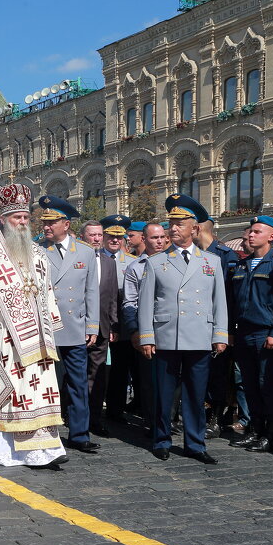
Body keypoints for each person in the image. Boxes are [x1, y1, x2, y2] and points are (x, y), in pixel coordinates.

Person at [0, 183, 68, 468]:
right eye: (17, 218)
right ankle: (3, 448)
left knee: (37, 391)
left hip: (38, 340)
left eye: (25, 218)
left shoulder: (39, 254)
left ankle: (41, 449)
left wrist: (49, 326)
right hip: (4, 338)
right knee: (8, 393)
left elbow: (47, 294)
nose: (22, 222)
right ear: (4, 220)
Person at [137, 194, 228, 464]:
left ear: (195, 228)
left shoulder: (212, 262)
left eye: (179, 223)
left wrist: (220, 334)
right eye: (171, 223)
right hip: (167, 336)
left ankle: (195, 443)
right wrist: (146, 336)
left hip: (199, 335)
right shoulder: (155, 262)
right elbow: (146, 304)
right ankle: (162, 439)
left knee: (196, 394)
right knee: (164, 394)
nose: (173, 228)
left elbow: (218, 301)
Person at [37, 196, 100, 454]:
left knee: (77, 383)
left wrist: (93, 326)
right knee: (45, 384)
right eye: (44, 223)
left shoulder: (85, 251)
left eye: (51, 222)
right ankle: (44, 431)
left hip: (75, 327)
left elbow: (91, 292)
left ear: (65, 224)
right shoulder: (39, 250)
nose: (46, 227)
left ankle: (79, 433)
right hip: (47, 328)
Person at [227, 217, 273, 455]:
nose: (251, 235)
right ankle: (254, 429)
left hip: (265, 333)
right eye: (250, 232)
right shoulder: (242, 265)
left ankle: (271, 434)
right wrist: (231, 332)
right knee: (250, 384)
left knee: (268, 385)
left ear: (271, 237)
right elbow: (233, 302)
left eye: (257, 231)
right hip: (243, 332)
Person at [197, 217, 246, 439]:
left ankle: (214, 417)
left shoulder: (226, 256)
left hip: (217, 325)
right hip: (194, 325)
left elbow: (230, 297)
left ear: (196, 228)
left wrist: (227, 330)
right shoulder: (190, 253)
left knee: (217, 374)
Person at [123, 222, 169, 430]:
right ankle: (153, 422)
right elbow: (130, 302)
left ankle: (168, 418)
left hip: (170, 329)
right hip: (147, 331)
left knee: (172, 380)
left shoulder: (174, 262)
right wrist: (134, 330)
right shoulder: (135, 267)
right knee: (149, 381)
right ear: (144, 239)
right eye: (153, 238)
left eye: (161, 237)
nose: (159, 242)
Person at [80, 220, 119, 437]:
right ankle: (73, 414)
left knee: (98, 375)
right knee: (75, 375)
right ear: (83, 236)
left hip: (103, 328)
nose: (96, 238)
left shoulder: (108, 262)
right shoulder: (75, 259)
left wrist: (113, 325)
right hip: (77, 326)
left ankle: (94, 418)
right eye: (92, 235)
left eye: (99, 235)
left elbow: (112, 296)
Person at [100, 215, 136, 426]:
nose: (115, 241)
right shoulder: (94, 259)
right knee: (96, 369)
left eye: (119, 237)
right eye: (111, 236)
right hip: (100, 323)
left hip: (122, 325)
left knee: (120, 370)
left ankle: (116, 409)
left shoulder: (133, 262)